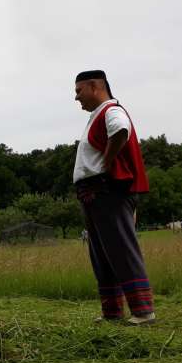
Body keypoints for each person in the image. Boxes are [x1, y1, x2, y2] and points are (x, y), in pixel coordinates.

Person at [72, 70, 154, 325]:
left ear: (95, 86)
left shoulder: (111, 110)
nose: (76, 98)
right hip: (94, 193)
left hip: (108, 191)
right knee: (102, 253)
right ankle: (112, 312)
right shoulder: (98, 115)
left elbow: (121, 130)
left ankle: (143, 311)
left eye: (79, 91)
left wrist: (107, 162)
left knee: (120, 248)